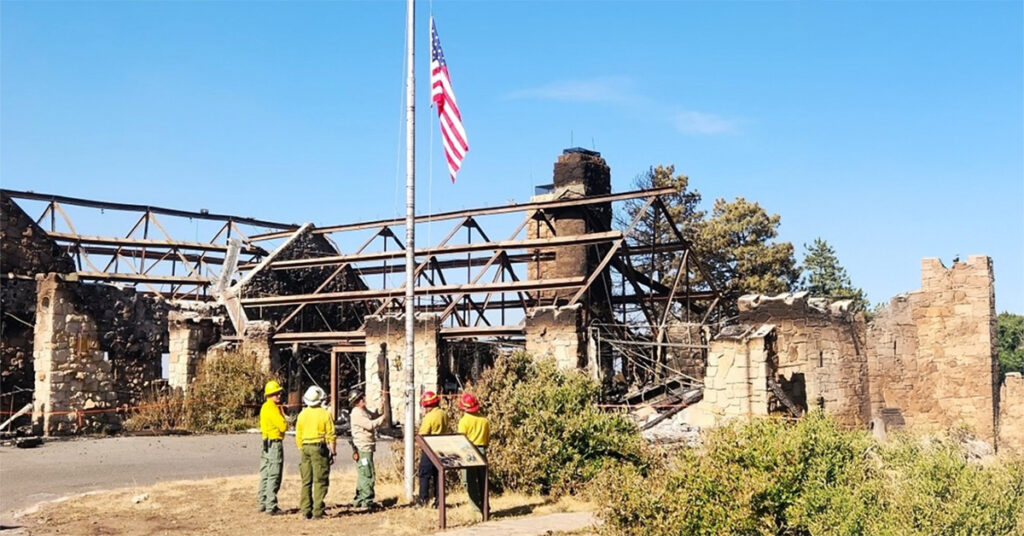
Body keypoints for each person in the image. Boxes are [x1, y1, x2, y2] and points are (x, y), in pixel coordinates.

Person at [295, 386, 336, 520]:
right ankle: (318, 510)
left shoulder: (302, 414)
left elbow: (298, 434)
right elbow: (331, 434)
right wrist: (333, 451)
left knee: (306, 480)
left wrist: (302, 447)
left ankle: (305, 510)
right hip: (319, 447)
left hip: (305, 447)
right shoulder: (324, 414)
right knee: (320, 479)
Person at [349, 389, 386, 508]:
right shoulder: (356, 413)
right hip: (363, 448)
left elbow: (372, 416)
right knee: (367, 474)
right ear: (355, 402)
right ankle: (367, 500)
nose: (363, 400)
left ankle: (360, 499)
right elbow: (370, 425)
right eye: (359, 399)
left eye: (362, 397)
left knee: (363, 474)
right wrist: (383, 418)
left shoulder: (362, 411)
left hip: (366, 447)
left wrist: (381, 406)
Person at [257, 380, 287, 515]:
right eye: (276, 394)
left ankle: (262, 502)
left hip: (266, 442)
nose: (279, 396)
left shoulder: (264, 407)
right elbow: (283, 426)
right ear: (270, 395)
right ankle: (271, 505)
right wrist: (283, 415)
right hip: (274, 442)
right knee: (274, 474)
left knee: (265, 473)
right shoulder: (273, 409)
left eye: (279, 393)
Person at [457, 392, 489, 514]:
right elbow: (487, 439)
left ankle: (476, 509)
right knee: (483, 481)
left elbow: (461, 439)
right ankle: (486, 507)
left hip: (468, 450)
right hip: (481, 450)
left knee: (469, 481)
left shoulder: (464, 421)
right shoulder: (484, 420)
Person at [416, 391, 448, 507]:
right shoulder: (443, 414)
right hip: (441, 447)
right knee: (438, 474)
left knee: (424, 474)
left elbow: (422, 434)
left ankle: (423, 500)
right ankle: (439, 501)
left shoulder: (429, 417)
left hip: (429, 448)